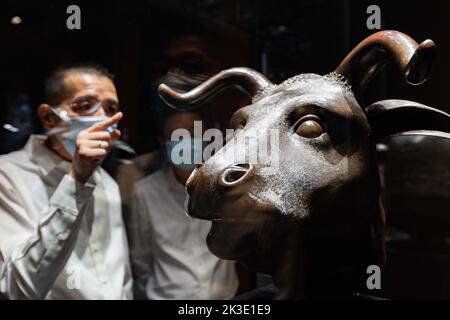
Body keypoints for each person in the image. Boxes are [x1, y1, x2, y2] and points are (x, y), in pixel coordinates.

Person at [0, 64, 133, 299]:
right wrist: (76, 180)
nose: (102, 117)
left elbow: (121, 278)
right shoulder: (7, 175)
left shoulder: (109, 185)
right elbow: (16, 289)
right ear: (49, 118)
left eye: (110, 108)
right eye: (84, 106)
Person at [127, 73, 239, 299]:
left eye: (194, 134)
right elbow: (140, 262)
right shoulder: (145, 193)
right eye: (178, 137)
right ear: (164, 144)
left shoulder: (226, 186)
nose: (187, 142)